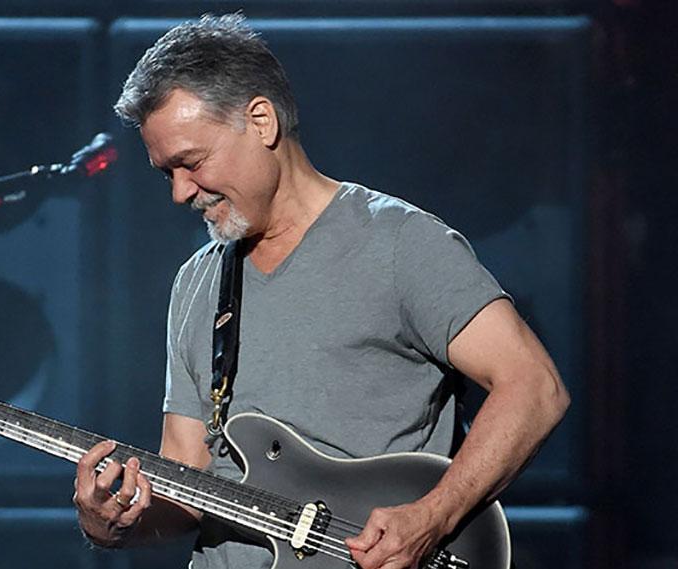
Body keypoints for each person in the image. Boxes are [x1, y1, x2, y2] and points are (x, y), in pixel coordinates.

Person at [72, 14, 570, 569]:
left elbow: (535, 388)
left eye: (190, 163)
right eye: (165, 174)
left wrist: (433, 516)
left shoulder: (401, 242)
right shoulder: (198, 282)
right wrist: (115, 524)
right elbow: (188, 476)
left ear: (260, 122)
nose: (180, 192)